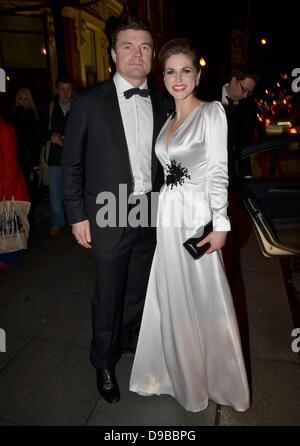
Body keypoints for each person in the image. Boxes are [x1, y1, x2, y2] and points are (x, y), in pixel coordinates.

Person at [129, 38, 250, 412]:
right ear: (161, 76)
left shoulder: (211, 113)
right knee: (170, 295)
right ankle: (174, 373)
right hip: (167, 218)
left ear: (197, 75)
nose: (177, 78)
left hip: (195, 217)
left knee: (202, 298)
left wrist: (220, 225)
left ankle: (210, 378)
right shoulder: (168, 118)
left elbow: (217, 172)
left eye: (185, 71)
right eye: (170, 71)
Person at [62, 15, 172, 404]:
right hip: (108, 213)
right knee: (107, 293)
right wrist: (77, 215)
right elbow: (71, 163)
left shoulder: (162, 103)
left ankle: (129, 342)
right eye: (128, 46)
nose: (136, 54)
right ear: (112, 53)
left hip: (150, 212)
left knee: (138, 289)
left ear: (153, 55)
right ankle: (103, 362)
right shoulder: (89, 102)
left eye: (144, 47)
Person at [212, 64, 260, 180]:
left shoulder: (249, 107)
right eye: (244, 90)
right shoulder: (207, 97)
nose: (245, 96)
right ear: (234, 80)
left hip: (229, 176)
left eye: (249, 92)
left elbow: (245, 143)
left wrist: (247, 176)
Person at [0, 94, 30, 270]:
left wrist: (7, 191)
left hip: (6, 189)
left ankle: (8, 257)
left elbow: (11, 163)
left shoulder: (5, 130)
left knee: (8, 225)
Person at [45, 76, 74, 236]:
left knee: (74, 191)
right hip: (55, 158)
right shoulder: (50, 108)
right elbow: (39, 130)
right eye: (62, 89)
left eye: (68, 89)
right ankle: (57, 222)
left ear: (72, 91)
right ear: (57, 91)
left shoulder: (78, 107)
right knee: (55, 193)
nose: (65, 93)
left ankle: (76, 219)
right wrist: (51, 136)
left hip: (73, 158)